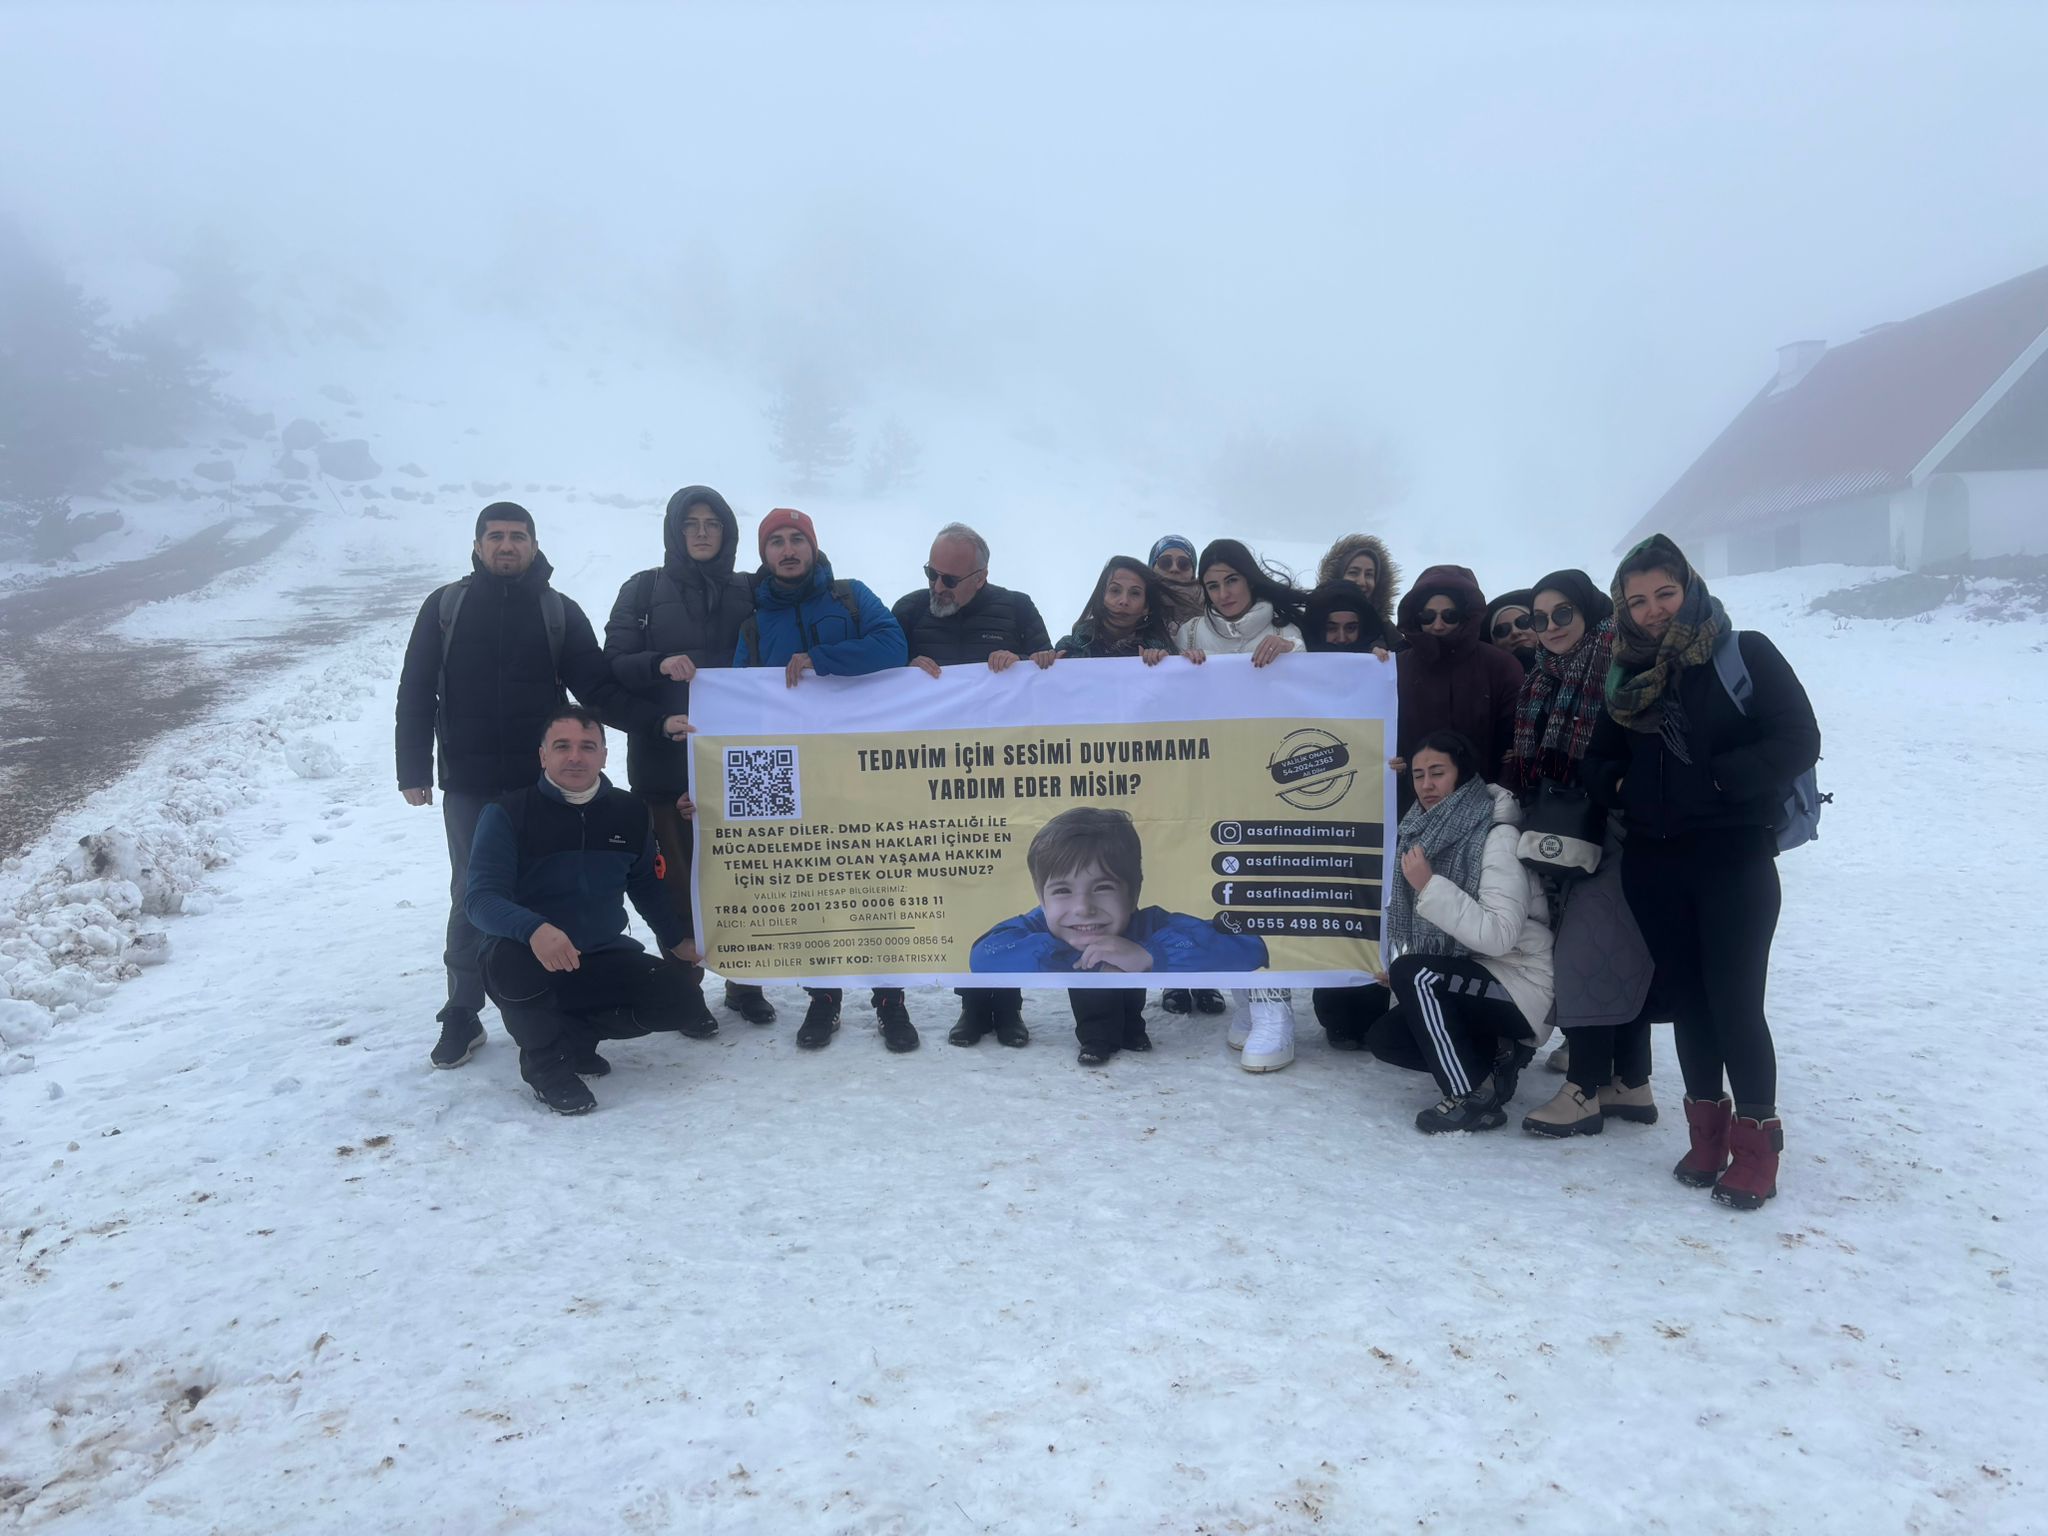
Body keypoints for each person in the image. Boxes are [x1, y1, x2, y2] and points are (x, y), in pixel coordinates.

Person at [396, 502, 686, 1071]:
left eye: (518, 536)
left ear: (534, 544)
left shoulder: (557, 611)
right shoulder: (445, 608)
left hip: (545, 782)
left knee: (560, 888)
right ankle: (462, 1011)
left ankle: (564, 1004)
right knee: (472, 894)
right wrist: (413, 768)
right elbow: (416, 689)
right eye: (496, 536)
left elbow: (597, 688)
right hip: (473, 783)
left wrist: (653, 721)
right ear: (478, 545)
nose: (507, 546)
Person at [1582, 534, 1819, 1209]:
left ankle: (1756, 1146)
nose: (1653, 610)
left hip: (1733, 856)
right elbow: (1598, 762)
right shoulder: (1625, 675)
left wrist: (1715, 782)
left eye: (1664, 593)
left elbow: (1799, 737)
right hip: (1654, 862)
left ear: (1689, 589)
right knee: (1689, 1002)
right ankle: (1707, 1134)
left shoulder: (1745, 654)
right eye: (1637, 600)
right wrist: (1625, 790)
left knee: (1736, 1001)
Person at [732, 506, 916, 1052]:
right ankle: (823, 997)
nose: (788, 550)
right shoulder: (751, 622)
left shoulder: (850, 596)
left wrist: (819, 658)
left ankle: (891, 1000)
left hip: (867, 766)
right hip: (797, 772)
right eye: (776, 543)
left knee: (881, 883)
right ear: (763, 555)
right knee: (812, 886)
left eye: (797, 540)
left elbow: (892, 647)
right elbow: (740, 706)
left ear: (813, 547)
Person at [464, 708, 703, 1115]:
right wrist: (535, 929)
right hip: (525, 957)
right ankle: (545, 1064)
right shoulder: (506, 813)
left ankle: (572, 1038)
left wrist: (675, 938)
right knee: (513, 965)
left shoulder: (629, 812)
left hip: (600, 954)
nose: (575, 757)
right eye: (563, 747)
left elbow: (645, 883)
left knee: (681, 998)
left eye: (587, 747)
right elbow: (480, 899)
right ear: (543, 756)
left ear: (604, 756)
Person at [602, 485, 774, 1029]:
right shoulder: (642, 588)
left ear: (728, 532)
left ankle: (747, 984)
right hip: (662, 759)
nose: (701, 532)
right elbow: (614, 662)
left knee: (744, 875)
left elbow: (798, 611)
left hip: (742, 764)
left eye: (713, 523)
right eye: (690, 523)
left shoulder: (753, 588)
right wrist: (657, 664)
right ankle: (685, 994)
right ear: (675, 531)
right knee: (674, 883)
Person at [1500, 570, 1660, 1137]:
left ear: (1589, 611)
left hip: (1616, 831)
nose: (1548, 628)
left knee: (1584, 953)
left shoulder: (1621, 662)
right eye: (1540, 619)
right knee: (1608, 952)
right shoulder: (1544, 676)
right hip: (1564, 830)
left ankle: (1584, 1090)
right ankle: (1631, 1082)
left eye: (1561, 614)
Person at [891, 522, 1053, 1049]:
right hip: (928, 779)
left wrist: (1024, 665)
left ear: (981, 578)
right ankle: (969, 1007)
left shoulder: (1017, 607)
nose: (938, 586)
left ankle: (1008, 1009)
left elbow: (1054, 680)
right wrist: (902, 666)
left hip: (1003, 777)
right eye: (931, 573)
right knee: (955, 885)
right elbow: (874, 677)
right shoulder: (910, 610)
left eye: (950, 579)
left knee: (1005, 885)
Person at [1046, 556, 1220, 1017]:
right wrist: (1040, 665)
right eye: (1114, 590)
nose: (1122, 601)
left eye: (1134, 593)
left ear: (1147, 603)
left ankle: (1136, 1017)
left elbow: (1187, 699)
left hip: (1147, 787)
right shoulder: (1071, 646)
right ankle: (1094, 1027)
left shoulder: (1162, 649)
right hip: (1081, 784)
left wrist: (1180, 667)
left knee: (1127, 898)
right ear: (1101, 593)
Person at [1359, 731, 1555, 1132]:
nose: (1427, 786)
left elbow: (1499, 936)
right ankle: (1498, 1055)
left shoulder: (1496, 836)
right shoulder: (1420, 832)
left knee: (1416, 974)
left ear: (1462, 775)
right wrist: (1401, 975)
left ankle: (1472, 1096)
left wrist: (1429, 886)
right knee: (1387, 1037)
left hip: (1520, 983)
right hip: (1479, 975)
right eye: (1417, 775)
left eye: (1437, 773)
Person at [970, 808, 1267, 1066]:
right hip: (1088, 1019)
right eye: (1062, 890)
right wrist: (1060, 955)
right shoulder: (1040, 928)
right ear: (1041, 897)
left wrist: (1151, 955)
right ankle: (1096, 1041)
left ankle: (1132, 1033)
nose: (1083, 908)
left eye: (1102, 887)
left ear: (1134, 891)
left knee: (1128, 1004)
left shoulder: (1149, 923)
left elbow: (1248, 945)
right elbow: (983, 955)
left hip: (1135, 1007)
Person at [1177, 538, 1308, 1071]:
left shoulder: (1285, 632)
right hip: (1207, 782)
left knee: (1263, 891)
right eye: (1212, 584)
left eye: (1232, 579)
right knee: (1217, 889)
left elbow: (1320, 689)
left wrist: (1292, 658)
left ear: (1250, 579)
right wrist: (1168, 666)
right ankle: (1244, 999)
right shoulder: (1188, 633)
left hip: (1267, 783)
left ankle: (1276, 1009)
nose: (1224, 592)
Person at [1390, 565, 1526, 807]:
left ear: (1466, 616)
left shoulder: (1501, 666)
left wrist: (1501, 802)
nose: (1438, 625)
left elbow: (1514, 747)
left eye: (1449, 616)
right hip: (1411, 806)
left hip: (1485, 805)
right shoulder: (1395, 669)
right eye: (1428, 617)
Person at [1314, 534, 1403, 646]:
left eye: (1369, 574)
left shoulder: (1387, 630)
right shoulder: (1313, 620)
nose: (1362, 581)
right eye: (1353, 573)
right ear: (1337, 576)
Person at [1303, 579, 1395, 657]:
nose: (1342, 639)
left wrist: (1376, 660)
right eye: (1331, 628)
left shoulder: (1374, 658)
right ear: (1315, 629)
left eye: (1350, 628)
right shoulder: (1296, 656)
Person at [1148, 535, 1207, 631]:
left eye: (1183, 564)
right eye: (1165, 562)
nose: (1174, 568)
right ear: (1152, 568)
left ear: (1193, 572)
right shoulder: (1134, 607)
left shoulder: (1213, 611)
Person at [1485, 588, 1540, 673]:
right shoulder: (1490, 684)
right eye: (1502, 630)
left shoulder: (1566, 667)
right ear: (1494, 643)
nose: (1515, 632)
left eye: (1523, 622)